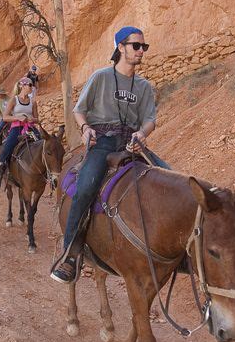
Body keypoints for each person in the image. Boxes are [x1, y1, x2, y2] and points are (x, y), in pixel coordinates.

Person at [51, 25, 168, 284]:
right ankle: (70, 254)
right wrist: (84, 128)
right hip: (103, 142)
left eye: (143, 47)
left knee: (171, 177)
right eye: (136, 45)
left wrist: (142, 135)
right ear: (120, 47)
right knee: (85, 188)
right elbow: (79, 110)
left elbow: (150, 119)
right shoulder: (101, 77)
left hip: (132, 143)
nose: (141, 51)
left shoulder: (144, 86)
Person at [0, 77, 40, 191]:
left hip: (30, 128)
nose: (32, 87)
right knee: (7, 148)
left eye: (32, 85)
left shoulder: (33, 102)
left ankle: (48, 175)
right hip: (17, 127)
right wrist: (18, 117)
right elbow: (5, 117)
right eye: (30, 85)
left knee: (45, 145)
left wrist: (32, 119)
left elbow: (37, 119)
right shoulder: (14, 100)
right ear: (22, 86)